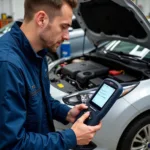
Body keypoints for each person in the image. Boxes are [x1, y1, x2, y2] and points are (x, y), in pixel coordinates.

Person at [0, 0, 102, 149]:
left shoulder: (37, 54)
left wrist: (67, 113)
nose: (67, 36)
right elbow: (12, 144)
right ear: (41, 19)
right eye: (64, 27)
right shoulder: (8, 66)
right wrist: (71, 137)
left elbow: (41, 100)